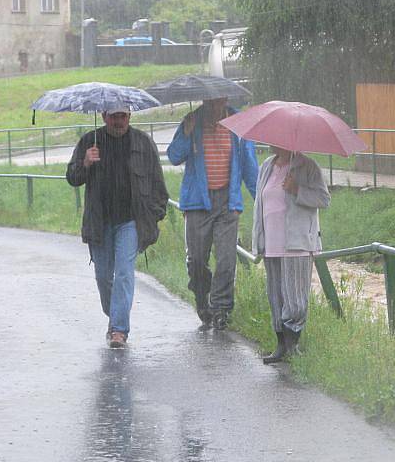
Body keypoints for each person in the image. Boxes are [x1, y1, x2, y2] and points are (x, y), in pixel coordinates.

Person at [66, 106, 169, 348]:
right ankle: (115, 315)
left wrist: (154, 215)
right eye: (114, 117)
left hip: (130, 222)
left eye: (123, 116)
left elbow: (157, 183)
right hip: (100, 223)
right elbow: (72, 178)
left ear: (130, 117)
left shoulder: (143, 143)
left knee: (124, 272)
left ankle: (119, 330)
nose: (119, 121)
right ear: (104, 117)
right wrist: (85, 163)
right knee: (103, 277)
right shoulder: (89, 141)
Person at [167, 97, 258, 331]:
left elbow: (249, 165)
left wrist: (262, 199)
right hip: (197, 201)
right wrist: (186, 133)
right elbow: (174, 156)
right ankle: (201, 297)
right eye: (209, 103)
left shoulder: (239, 124)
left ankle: (221, 310)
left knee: (226, 260)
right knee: (197, 260)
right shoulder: (192, 121)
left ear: (225, 100)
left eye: (218, 103)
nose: (214, 108)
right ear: (204, 101)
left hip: (227, 202)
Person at [252, 146, 331, 364]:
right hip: (271, 241)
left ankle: (292, 345)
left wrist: (298, 190)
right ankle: (280, 345)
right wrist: (257, 238)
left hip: (297, 241)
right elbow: (259, 203)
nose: (271, 141)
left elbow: (324, 199)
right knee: (276, 295)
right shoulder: (266, 166)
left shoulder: (307, 166)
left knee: (295, 299)